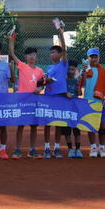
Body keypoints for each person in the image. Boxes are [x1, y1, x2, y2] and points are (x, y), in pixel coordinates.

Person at [8, 31, 44, 159]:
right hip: (22, 100)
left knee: (33, 126)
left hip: (34, 101)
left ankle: (32, 150)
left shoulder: (40, 71)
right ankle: (17, 149)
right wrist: (11, 40)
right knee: (21, 125)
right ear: (26, 57)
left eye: (34, 54)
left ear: (36, 56)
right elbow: (12, 53)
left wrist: (39, 89)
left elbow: (42, 85)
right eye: (29, 54)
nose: (31, 56)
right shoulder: (22, 66)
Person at [42, 21, 69, 159]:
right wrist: (46, 80)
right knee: (47, 124)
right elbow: (44, 82)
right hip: (48, 97)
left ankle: (57, 148)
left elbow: (64, 47)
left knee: (58, 123)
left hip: (60, 97)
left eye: (54, 52)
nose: (51, 55)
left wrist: (61, 33)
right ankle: (47, 148)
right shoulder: (48, 68)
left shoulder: (64, 64)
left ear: (60, 54)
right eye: (51, 53)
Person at [79, 48, 105, 158]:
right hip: (89, 101)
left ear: (99, 57)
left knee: (102, 126)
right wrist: (82, 72)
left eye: (96, 56)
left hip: (101, 101)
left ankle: (102, 147)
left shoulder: (104, 70)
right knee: (90, 125)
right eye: (92, 57)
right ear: (88, 58)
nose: (94, 59)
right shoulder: (84, 70)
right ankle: (93, 147)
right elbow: (80, 83)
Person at [62, 61, 82, 158]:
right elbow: (60, 92)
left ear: (75, 70)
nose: (70, 71)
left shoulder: (76, 81)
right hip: (65, 109)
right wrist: (65, 94)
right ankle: (70, 149)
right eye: (69, 69)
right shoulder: (63, 81)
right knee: (67, 131)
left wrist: (78, 85)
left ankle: (78, 149)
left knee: (76, 130)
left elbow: (79, 93)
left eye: (72, 69)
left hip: (75, 109)